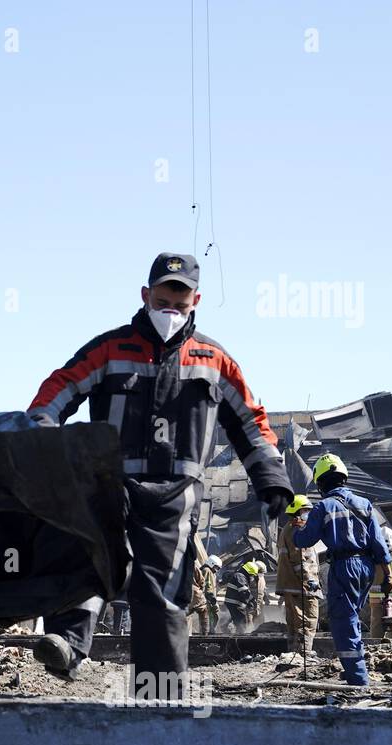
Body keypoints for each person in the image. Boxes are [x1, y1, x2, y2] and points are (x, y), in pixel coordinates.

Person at [25, 253, 292, 692]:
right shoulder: (109, 349)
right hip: (111, 483)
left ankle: (160, 695)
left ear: (196, 301)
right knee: (87, 550)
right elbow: (61, 387)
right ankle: (68, 644)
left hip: (175, 495)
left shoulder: (214, 359)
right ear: (146, 295)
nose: (171, 308)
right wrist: (39, 433)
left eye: (181, 302)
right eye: (164, 297)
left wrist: (271, 477)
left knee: (162, 592)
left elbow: (250, 421)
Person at [293, 454, 391, 685]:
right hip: (366, 567)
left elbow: (305, 540)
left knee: (342, 621)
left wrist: (297, 529)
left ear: (320, 482)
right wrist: (389, 575)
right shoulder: (364, 504)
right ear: (344, 478)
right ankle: (353, 671)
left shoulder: (323, 507)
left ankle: (358, 678)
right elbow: (379, 543)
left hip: (344, 566)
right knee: (352, 617)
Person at [277, 494, 321, 657]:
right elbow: (300, 560)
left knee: (294, 622)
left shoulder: (287, 530)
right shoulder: (298, 531)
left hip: (290, 585)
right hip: (301, 585)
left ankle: (293, 653)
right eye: (306, 511)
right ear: (296, 512)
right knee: (307, 619)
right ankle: (304, 653)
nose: (308, 514)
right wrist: (309, 580)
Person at [223, 561, 262, 634]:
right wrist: (252, 600)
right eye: (251, 575)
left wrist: (249, 602)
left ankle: (228, 634)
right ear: (248, 572)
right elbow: (244, 591)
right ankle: (239, 639)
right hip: (234, 604)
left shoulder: (240, 576)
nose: (252, 577)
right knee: (241, 623)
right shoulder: (240, 576)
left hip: (234, 603)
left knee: (233, 621)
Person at [203, 555, 221, 633]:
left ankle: (210, 631)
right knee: (212, 615)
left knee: (214, 615)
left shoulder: (211, 572)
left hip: (210, 597)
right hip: (208, 598)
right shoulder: (207, 570)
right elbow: (207, 585)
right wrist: (211, 597)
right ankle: (209, 632)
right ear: (211, 563)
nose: (216, 570)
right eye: (216, 567)